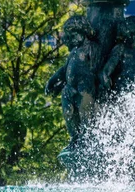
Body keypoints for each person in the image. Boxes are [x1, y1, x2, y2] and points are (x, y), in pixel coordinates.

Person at [45, 16, 99, 146]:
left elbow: (97, 67)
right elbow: (63, 70)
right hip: (69, 89)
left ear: (84, 32)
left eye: (73, 35)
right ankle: (75, 137)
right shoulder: (74, 52)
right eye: (69, 36)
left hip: (84, 88)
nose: (71, 39)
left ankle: (87, 138)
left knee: (85, 114)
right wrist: (52, 82)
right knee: (68, 113)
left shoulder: (92, 48)